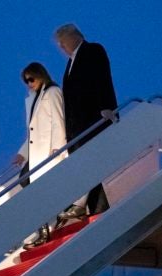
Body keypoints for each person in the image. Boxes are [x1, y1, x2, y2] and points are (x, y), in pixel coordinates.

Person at [54, 23, 118, 223]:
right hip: (77, 127)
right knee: (85, 163)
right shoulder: (70, 63)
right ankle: (90, 206)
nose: (61, 48)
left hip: (93, 119)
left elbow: (102, 78)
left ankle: (94, 206)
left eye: (63, 42)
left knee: (94, 162)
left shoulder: (93, 50)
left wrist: (107, 107)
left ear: (75, 37)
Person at [13, 62, 67, 249]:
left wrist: (58, 148)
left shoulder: (52, 92)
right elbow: (32, 132)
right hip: (37, 153)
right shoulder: (33, 98)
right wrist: (22, 153)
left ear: (40, 75)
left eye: (31, 79)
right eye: (26, 81)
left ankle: (47, 227)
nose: (29, 83)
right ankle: (44, 228)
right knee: (27, 183)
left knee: (34, 186)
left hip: (49, 151)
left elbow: (58, 121)